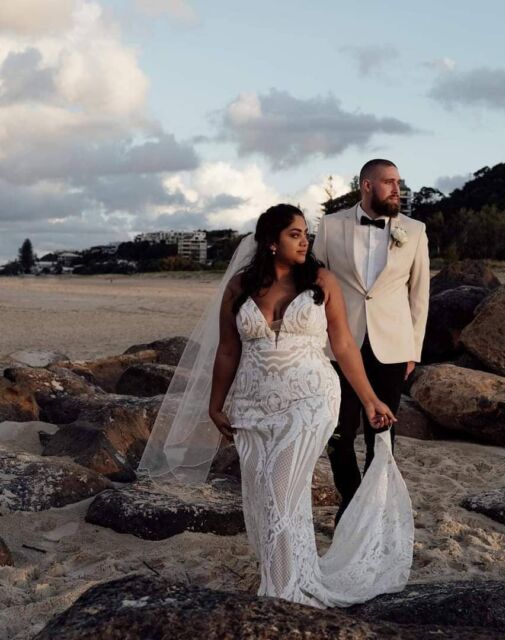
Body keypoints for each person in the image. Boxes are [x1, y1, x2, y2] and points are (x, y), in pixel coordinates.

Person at [138, 203, 414, 608]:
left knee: (279, 490)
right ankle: (291, 575)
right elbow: (228, 351)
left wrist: (370, 398)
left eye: (306, 234)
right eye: (294, 234)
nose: (305, 242)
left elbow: (343, 345)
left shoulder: (322, 281)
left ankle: (280, 593)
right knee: (265, 495)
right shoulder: (239, 287)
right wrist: (216, 404)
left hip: (310, 398)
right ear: (270, 242)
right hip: (252, 405)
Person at [313, 159, 430, 524]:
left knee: (382, 434)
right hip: (339, 345)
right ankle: (351, 500)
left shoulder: (415, 230)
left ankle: (372, 511)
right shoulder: (331, 226)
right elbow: (313, 286)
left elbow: (420, 295)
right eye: (389, 182)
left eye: (399, 182)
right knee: (338, 432)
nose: (397, 189)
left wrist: (412, 350)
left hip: (391, 347)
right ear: (366, 185)